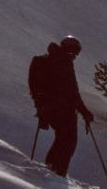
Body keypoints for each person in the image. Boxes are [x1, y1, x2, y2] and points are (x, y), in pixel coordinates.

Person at [28, 35, 94, 176]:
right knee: (68, 142)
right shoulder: (61, 63)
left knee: (63, 140)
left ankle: (53, 169)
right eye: (73, 53)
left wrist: (84, 111)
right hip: (61, 110)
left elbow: (72, 92)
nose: (74, 56)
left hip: (55, 110)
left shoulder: (52, 61)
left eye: (76, 54)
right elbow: (72, 93)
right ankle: (57, 173)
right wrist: (84, 112)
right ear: (68, 50)